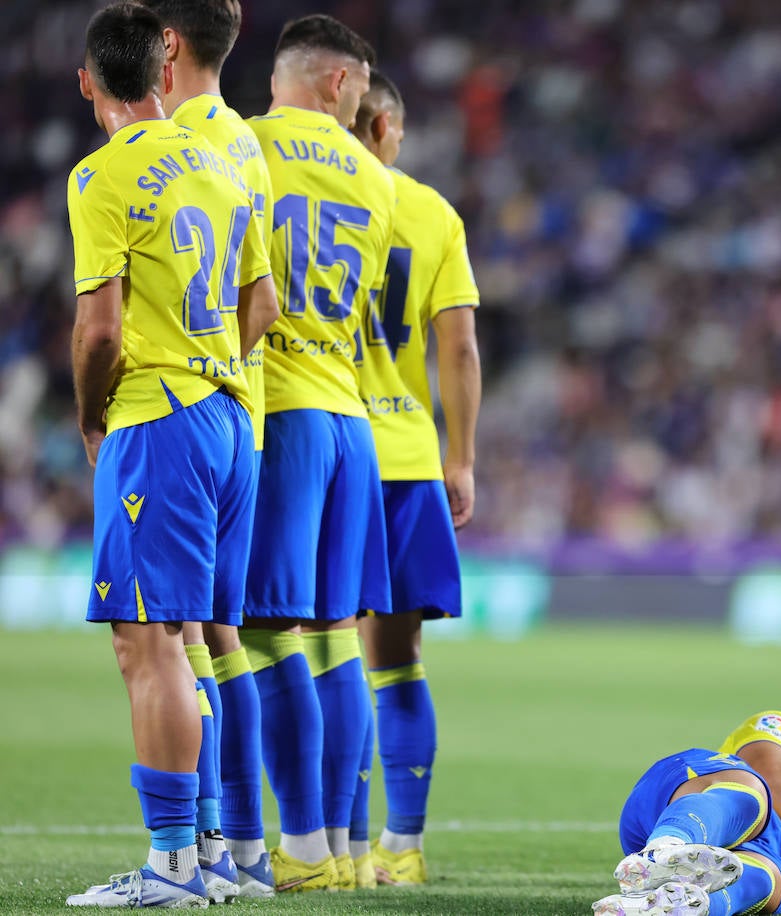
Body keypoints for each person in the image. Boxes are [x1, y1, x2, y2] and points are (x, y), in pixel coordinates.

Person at [63, 2, 275, 906]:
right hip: (230, 416)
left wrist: (89, 417)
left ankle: (173, 867)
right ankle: (218, 856)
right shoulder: (226, 163)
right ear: (161, 75)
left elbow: (97, 332)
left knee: (145, 645)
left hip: (159, 421)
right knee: (188, 645)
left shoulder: (99, 178)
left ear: (86, 82)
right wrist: (214, 361)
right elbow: (265, 303)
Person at [243, 14, 395, 893]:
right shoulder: (376, 183)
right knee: (340, 638)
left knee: (268, 636)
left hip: (285, 413)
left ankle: (299, 849)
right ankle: (343, 849)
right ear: (338, 84)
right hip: (351, 424)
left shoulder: (246, 146)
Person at [138, 0, 277, 899]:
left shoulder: (169, 144)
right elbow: (267, 298)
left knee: (183, 640)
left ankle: (207, 855)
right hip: (244, 412)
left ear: (169, 46)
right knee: (218, 639)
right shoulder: (248, 144)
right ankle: (245, 852)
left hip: (183, 409)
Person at [346, 72, 482, 887]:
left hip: (313, 443)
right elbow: (458, 349)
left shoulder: (290, 199)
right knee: (397, 661)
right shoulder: (430, 212)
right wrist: (458, 457)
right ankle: (403, 845)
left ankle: (326, 843)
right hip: (404, 458)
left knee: (311, 656)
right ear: (386, 124)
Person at [593, 709, 781, 915]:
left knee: (774, 882)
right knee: (756, 794)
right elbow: (771, 773)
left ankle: (681, 905)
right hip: (685, 800)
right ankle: (667, 849)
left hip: (750, 852)